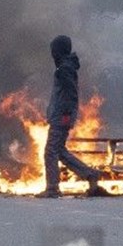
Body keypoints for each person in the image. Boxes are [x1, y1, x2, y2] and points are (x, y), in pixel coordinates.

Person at [39, 35, 104, 198]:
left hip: (62, 116)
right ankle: (90, 175)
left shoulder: (65, 69)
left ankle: (52, 188)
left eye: (53, 50)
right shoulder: (65, 67)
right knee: (59, 150)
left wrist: (66, 114)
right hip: (61, 115)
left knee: (50, 151)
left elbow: (71, 93)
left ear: (58, 51)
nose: (52, 53)